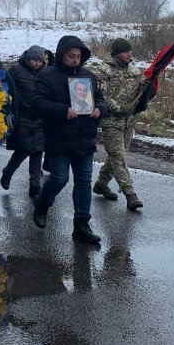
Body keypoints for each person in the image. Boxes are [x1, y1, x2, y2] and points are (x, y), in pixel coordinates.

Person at [32, 36, 107, 245]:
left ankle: (82, 224)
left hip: (85, 138)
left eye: (78, 56)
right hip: (59, 139)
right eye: (71, 56)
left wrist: (100, 109)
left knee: (84, 181)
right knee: (60, 178)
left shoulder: (88, 76)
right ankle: (42, 203)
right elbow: (37, 102)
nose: (75, 60)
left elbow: (100, 98)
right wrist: (62, 110)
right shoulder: (48, 76)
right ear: (61, 55)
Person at [91, 38, 147, 210]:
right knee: (118, 155)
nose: (129, 54)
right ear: (116, 53)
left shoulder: (134, 71)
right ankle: (130, 193)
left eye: (130, 51)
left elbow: (141, 90)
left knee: (117, 155)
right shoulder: (103, 71)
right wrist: (120, 108)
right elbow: (102, 96)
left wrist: (149, 87)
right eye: (125, 52)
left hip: (129, 121)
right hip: (110, 120)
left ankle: (101, 184)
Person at [2, 45, 54, 198]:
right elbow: (5, 87)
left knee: (38, 150)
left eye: (41, 61)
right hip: (22, 117)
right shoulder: (16, 70)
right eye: (35, 60)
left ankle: (35, 184)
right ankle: (8, 171)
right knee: (24, 149)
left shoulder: (45, 73)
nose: (38, 63)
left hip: (40, 117)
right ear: (28, 59)